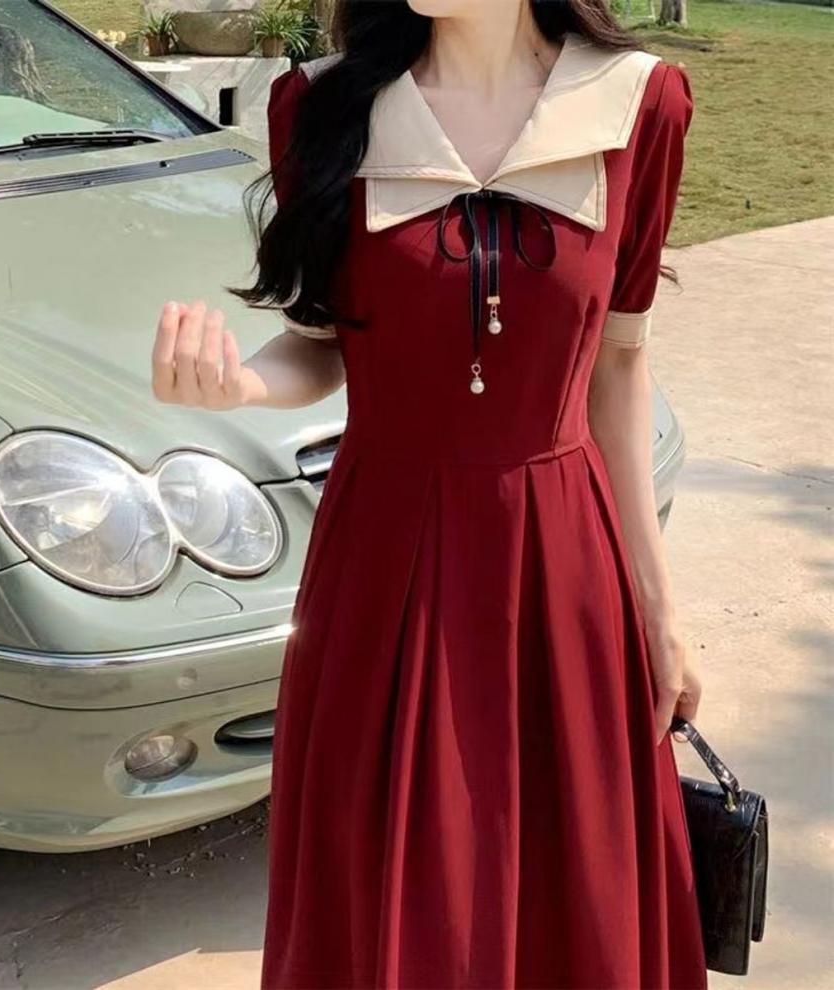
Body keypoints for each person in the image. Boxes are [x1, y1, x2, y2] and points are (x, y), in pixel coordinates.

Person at [150, 0, 707, 986]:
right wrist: (235, 386)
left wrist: (660, 613)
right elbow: (319, 347)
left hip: (563, 578)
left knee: (573, 896)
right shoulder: (322, 107)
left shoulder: (639, 105)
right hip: (382, 577)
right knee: (395, 906)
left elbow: (619, 367)